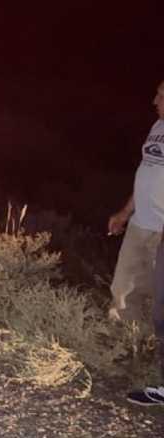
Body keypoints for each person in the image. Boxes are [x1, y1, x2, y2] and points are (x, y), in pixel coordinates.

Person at [119, 80, 164, 406]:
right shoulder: (157, 126)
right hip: (140, 226)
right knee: (124, 294)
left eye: (162, 95)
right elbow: (146, 170)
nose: (154, 99)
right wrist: (125, 212)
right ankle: (126, 359)